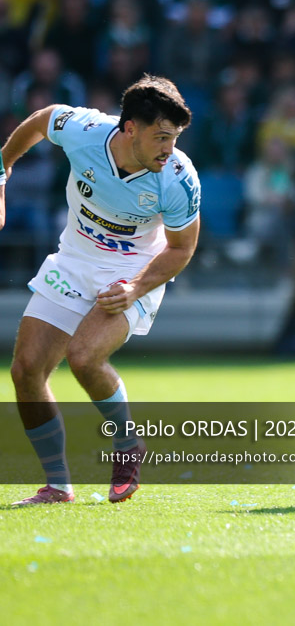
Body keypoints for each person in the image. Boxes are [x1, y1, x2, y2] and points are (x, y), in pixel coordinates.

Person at [2, 75, 200, 506]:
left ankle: (128, 442)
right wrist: (2, 169)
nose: (169, 149)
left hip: (135, 270)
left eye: (175, 138)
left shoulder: (178, 177)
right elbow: (40, 120)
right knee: (25, 370)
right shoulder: (86, 131)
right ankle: (58, 486)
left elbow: (182, 248)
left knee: (84, 356)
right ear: (130, 128)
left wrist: (136, 287)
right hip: (74, 260)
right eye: (161, 137)